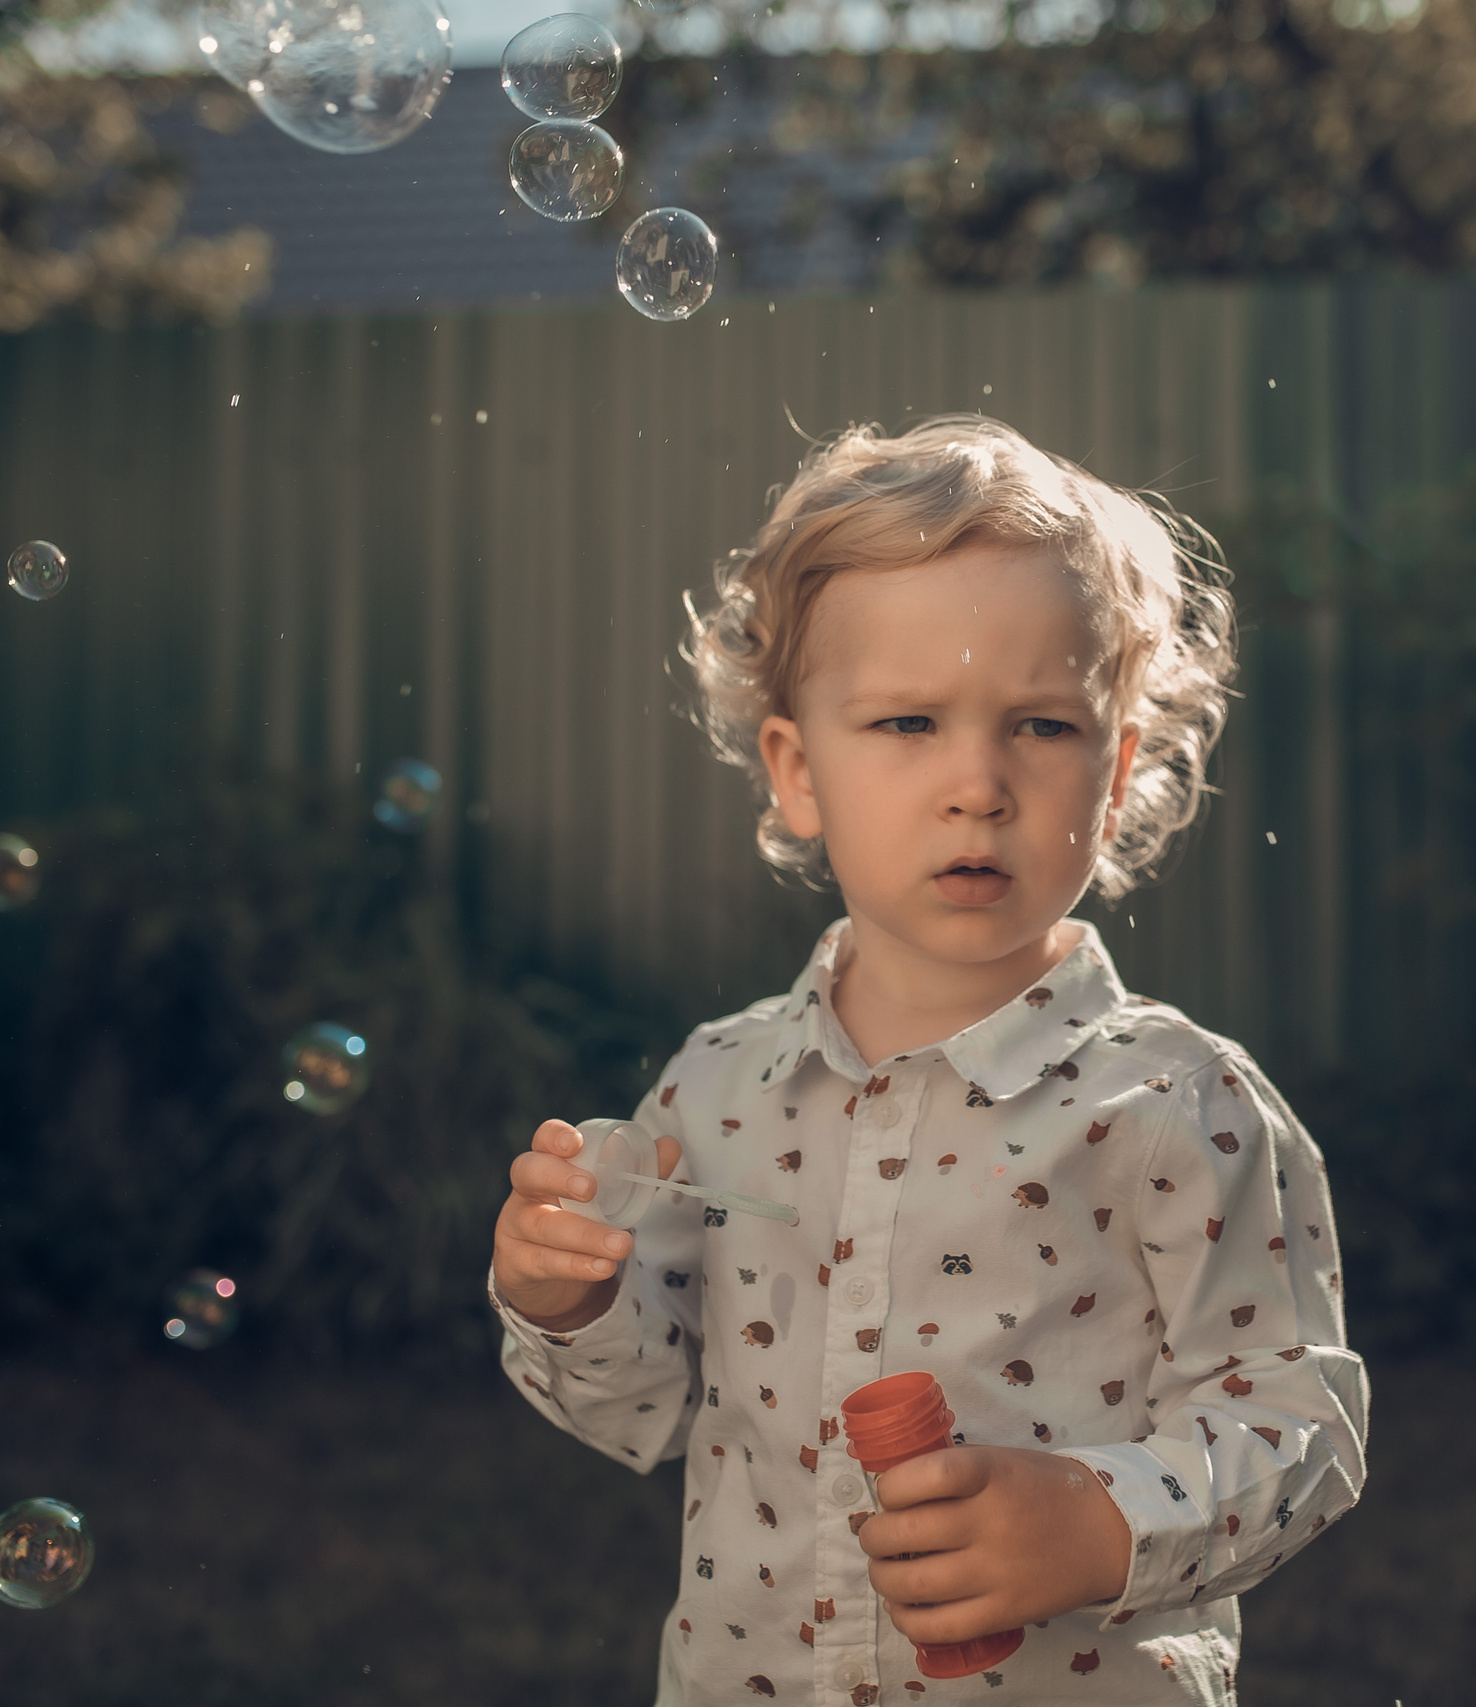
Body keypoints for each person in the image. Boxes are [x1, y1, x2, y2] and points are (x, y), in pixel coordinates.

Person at [486, 417, 1369, 1705]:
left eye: (1043, 728)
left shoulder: (1177, 1106)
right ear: (797, 772)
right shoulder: (715, 1089)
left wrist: (1098, 1519)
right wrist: (566, 1300)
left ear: (1116, 773)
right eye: (906, 722)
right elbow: (649, 1402)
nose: (978, 783)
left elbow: (1300, 1426)